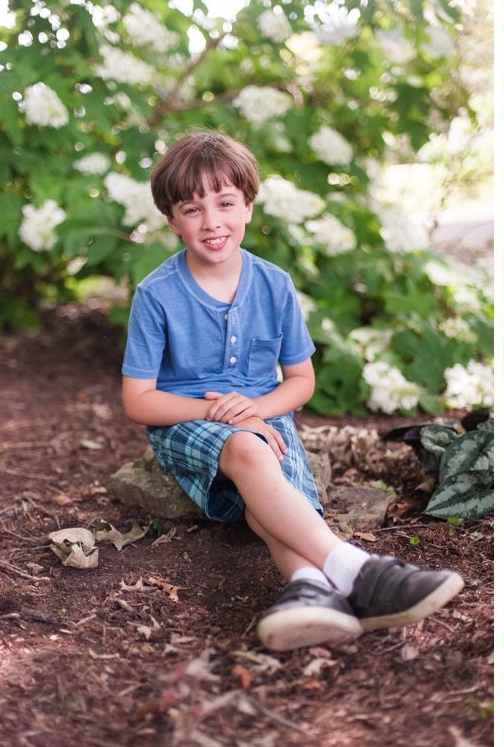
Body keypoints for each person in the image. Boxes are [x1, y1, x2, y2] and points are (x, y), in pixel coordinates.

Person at [121, 131, 463, 652]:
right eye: (193, 209)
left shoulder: (274, 285)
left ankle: (307, 590)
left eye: (226, 203)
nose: (212, 221)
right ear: (172, 220)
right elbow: (139, 400)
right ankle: (358, 569)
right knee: (244, 447)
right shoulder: (157, 295)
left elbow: (300, 381)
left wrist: (257, 408)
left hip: (266, 416)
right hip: (187, 420)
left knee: (270, 488)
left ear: (250, 207)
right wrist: (222, 412)